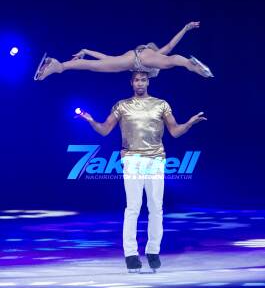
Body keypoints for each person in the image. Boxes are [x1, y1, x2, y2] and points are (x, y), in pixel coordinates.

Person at [76, 71, 207, 273]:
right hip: (132, 159)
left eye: (143, 79)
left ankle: (153, 251)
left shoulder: (161, 104)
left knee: (156, 206)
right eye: (136, 80)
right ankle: (131, 254)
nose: (140, 83)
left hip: (156, 159)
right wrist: (92, 121)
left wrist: (189, 123)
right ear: (132, 82)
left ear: (148, 81)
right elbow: (104, 130)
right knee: (133, 207)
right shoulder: (122, 105)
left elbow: (174, 131)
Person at [34, 21, 214, 81]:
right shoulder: (153, 56)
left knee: (93, 66)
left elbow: (106, 59)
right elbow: (170, 47)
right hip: (136, 60)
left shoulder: (139, 57)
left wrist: (86, 50)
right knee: (173, 59)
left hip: (131, 59)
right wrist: (185, 28)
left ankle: (55, 67)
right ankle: (193, 66)